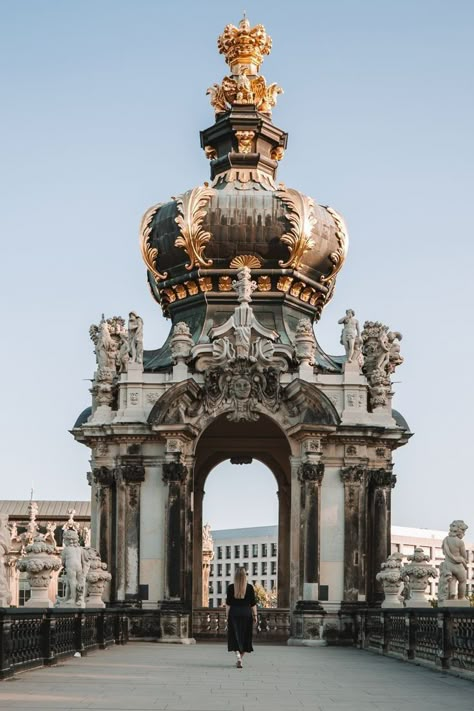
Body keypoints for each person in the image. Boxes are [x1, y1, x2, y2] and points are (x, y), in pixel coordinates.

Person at [226, 566, 257, 669]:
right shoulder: (250, 588)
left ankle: (238, 657)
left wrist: (227, 616)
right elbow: (253, 604)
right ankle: (240, 658)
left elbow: (228, 604)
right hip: (246, 614)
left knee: (234, 636)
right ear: (245, 576)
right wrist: (255, 616)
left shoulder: (231, 587)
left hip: (234, 613)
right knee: (246, 637)